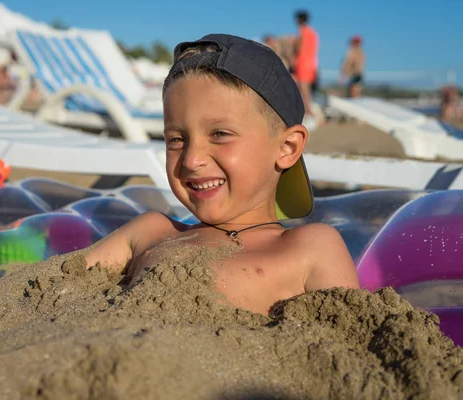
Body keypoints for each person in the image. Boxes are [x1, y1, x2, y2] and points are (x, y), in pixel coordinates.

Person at [84, 34, 359, 316]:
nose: (192, 160)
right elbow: (54, 284)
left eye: (220, 134)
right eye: (176, 139)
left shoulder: (310, 248)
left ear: (287, 147)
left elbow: (353, 339)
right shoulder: (149, 232)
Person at [293, 10, 319, 118]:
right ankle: (308, 110)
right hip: (311, 62)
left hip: (303, 62)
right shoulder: (313, 32)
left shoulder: (303, 31)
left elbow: (299, 48)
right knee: (305, 88)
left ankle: (309, 112)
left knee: (304, 88)